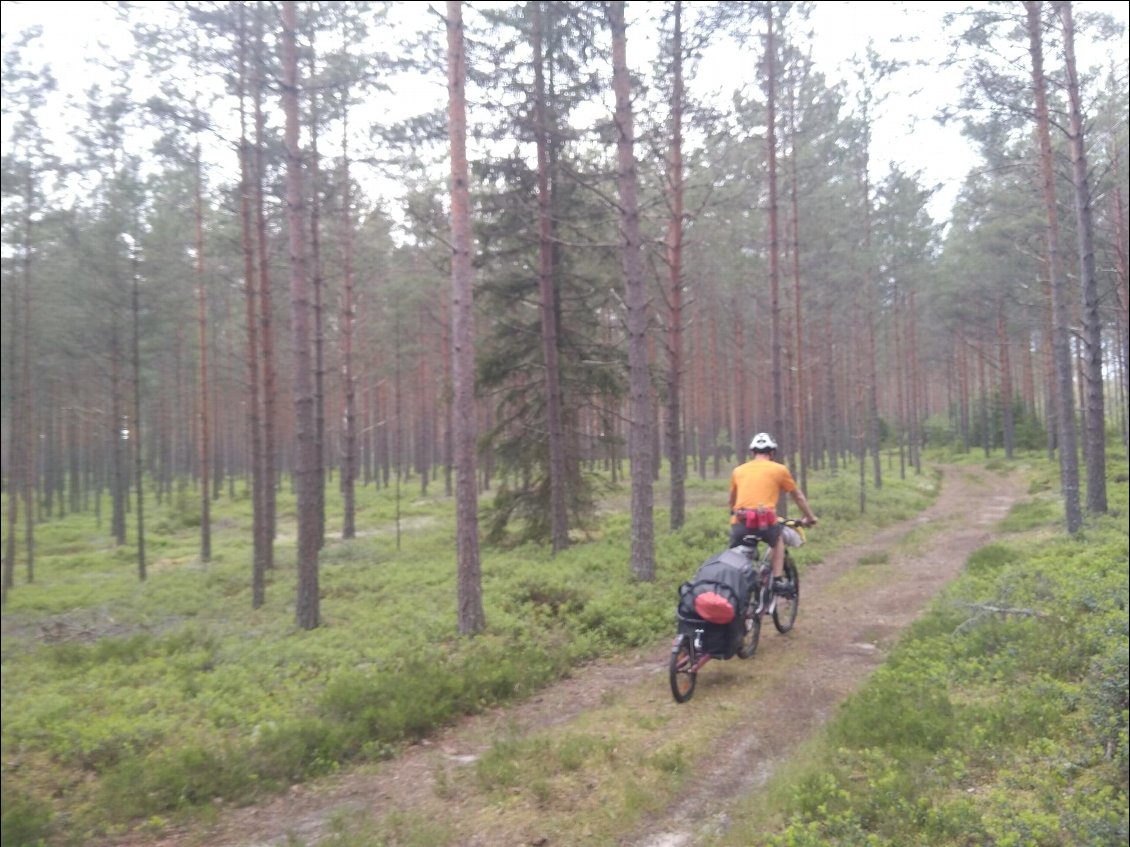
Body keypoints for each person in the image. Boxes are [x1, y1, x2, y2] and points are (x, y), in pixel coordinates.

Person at [728, 432, 818, 592]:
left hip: (740, 523)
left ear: (753, 452)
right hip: (765, 523)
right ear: (772, 453)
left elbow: (731, 502)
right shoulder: (779, 469)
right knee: (777, 541)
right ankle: (776, 580)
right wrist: (810, 517)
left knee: (735, 559)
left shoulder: (738, 471)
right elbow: (797, 496)